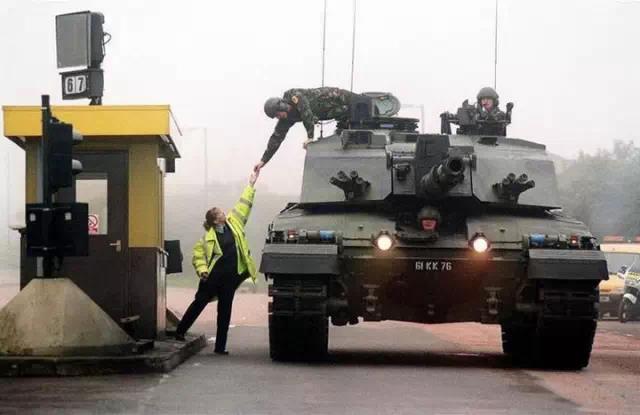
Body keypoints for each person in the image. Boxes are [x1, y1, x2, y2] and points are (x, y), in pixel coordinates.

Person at [174, 170, 259, 355]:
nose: (223, 212)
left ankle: (220, 347)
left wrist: (251, 185)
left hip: (230, 279)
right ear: (214, 220)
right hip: (212, 279)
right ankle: (179, 331)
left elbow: (244, 204)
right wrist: (202, 270)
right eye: (219, 212)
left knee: (225, 311)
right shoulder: (207, 238)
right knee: (199, 303)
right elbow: (198, 256)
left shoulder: (235, 224)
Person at [254, 87, 357, 172]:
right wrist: (263, 161)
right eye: (276, 117)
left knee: (360, 102)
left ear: (281, 106)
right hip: (335, 111)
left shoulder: (293, 95)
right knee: (348, 117)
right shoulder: (287, 118)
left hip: (337, 97)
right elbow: (276, 137)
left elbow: (305, 111)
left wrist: (310, 137)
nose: (278, 117)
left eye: (277, 114)